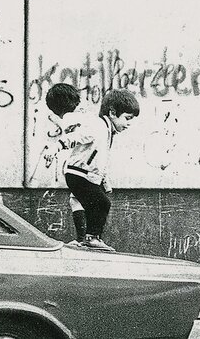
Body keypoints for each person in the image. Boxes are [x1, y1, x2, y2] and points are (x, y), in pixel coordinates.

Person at [44, 88, 139, 250]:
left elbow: (100, 158)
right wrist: (55, 148)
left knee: (83, 202)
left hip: (83, 173)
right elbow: (74, 137)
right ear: (113, 113)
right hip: (79, 173)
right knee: (102, 203)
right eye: (127, 118)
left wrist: (104, 180)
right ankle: (92, 238)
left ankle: (83, 239)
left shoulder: (107, 130)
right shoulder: (99, 127)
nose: (129, 124)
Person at [44, 83, 87, 245]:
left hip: (83, 164)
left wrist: (55, 148)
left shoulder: (70, 119)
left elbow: (72, 136)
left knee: (76, 199)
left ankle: (85, 239)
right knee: (82, 199)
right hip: (93, 163)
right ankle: (90, 237)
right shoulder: (83, 115)